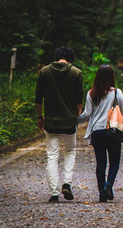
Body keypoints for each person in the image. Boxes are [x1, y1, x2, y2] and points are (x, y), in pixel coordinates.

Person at [35, 46, 83, 203]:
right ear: (70, 58)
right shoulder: (76, 73)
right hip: (69, 121)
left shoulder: (45, 72)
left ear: (57, 57)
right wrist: (78, 115)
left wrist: (40, 117)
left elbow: (38, 97)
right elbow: (78, 100)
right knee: (70, 152)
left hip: (51, 121)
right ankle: (67, 183)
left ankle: (54, 193)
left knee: (52, 155)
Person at [77, 65, 123, 202]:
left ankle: (102, 194)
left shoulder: (91, 93)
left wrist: (74, 121)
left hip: (97, 132)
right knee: (115, 161)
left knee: (101, 163)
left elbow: (87, 114)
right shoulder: (117, 93)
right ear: (112, 76)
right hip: (113, 131)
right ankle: (108, 185)